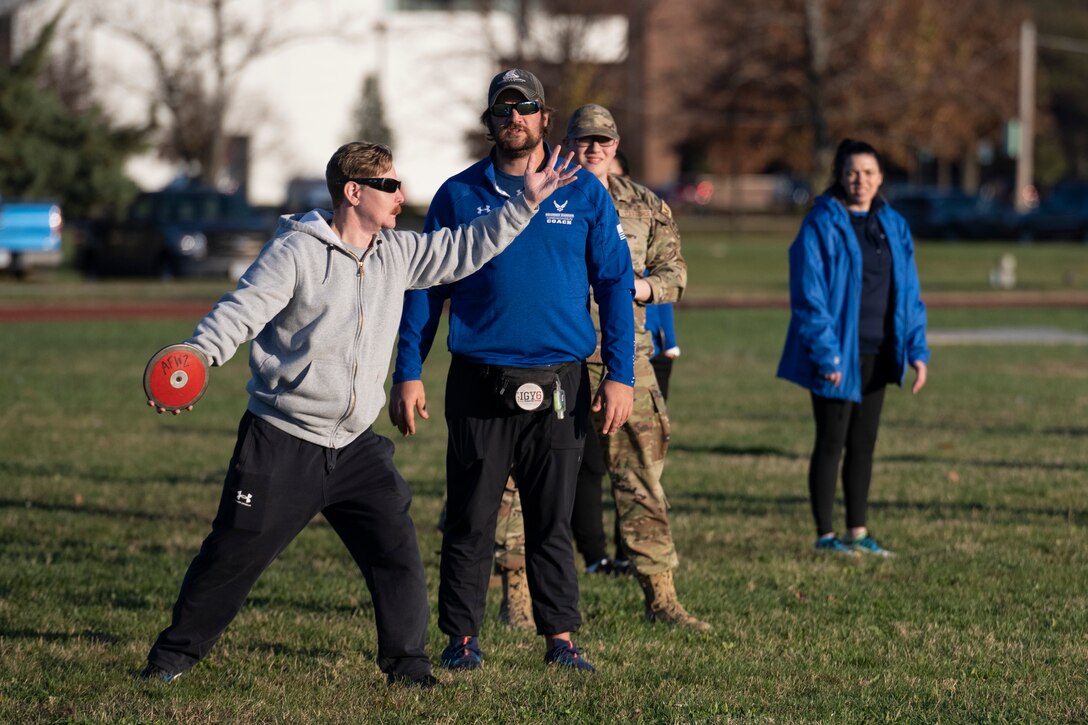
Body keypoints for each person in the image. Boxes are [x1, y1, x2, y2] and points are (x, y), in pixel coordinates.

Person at [139, 140, 581, 689]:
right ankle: (170, 659)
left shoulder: (395, 253)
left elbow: (467, 248)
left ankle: (409, 665)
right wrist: (200, 355)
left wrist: (524, 203)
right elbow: (241, 310)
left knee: (396, 553)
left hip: (355, 447)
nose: (402, 196)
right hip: (283, 440)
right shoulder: (296, 252)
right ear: (355, 191)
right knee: (233, 552)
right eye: (391, 186)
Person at [389, 70, 635, 674]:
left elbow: (615, 281)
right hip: (479, 378)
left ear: (544, 118)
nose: (514, 119)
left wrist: (620, 373)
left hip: (562, 381)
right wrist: (409, 370)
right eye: (503, 110)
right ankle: (462, 637)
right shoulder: (459, 193)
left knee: (552, 516)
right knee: (471, 515)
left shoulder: (581, 190)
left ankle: (561, 639)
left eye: (525, 108)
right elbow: (427, 286)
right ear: (490, 122)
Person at [495, 104, 710, 631]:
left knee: (640, 480)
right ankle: (516, 599)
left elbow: (675, 272)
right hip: (550, 362)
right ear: (566, 141)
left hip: (624, 360)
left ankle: (661, 598)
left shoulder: (645, 205)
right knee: (519, 480)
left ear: (616, 146)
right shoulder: (540, 193)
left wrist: (640, 288)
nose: (593, 148)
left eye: (603, 140)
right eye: (583, 139)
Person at [777, 138, 930, 558]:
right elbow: (809, 294)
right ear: (840, 176)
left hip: (879, 351)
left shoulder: (893, 224)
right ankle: (825, 535)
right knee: (832, 441)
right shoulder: (821, 222)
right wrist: (828, 354)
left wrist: (916, 349)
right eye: (851, 172)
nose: (859, 180)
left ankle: (856, 531)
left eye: (868, 172)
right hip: (836, 353)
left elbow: (909, 291)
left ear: (880, 178)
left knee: (864, 444)